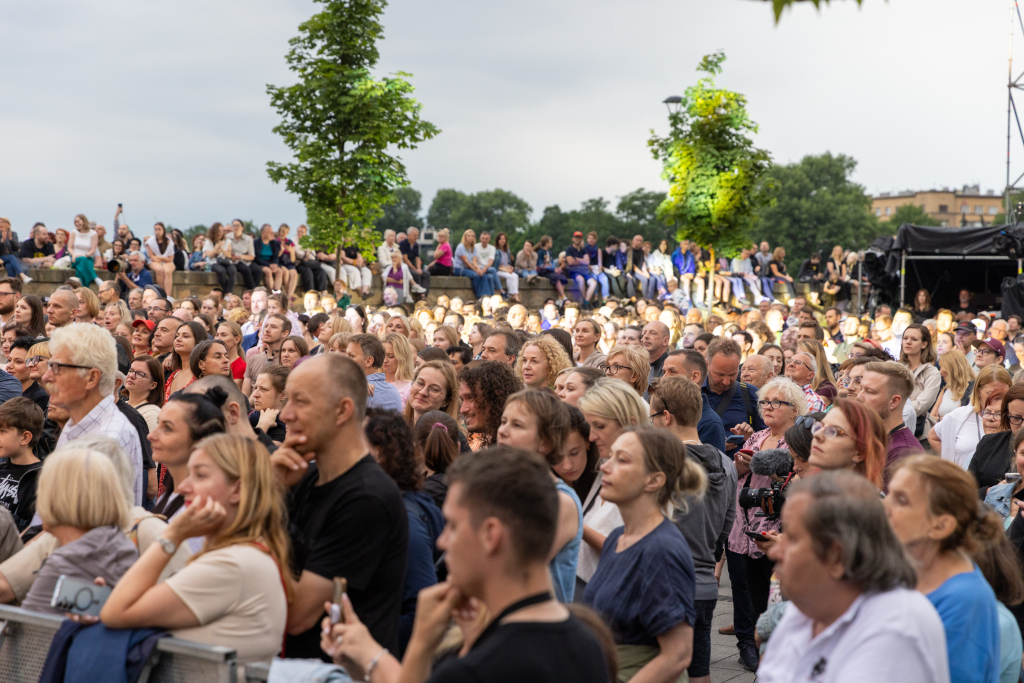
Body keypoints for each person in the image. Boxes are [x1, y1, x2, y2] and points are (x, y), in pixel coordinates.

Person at [322, 445, 612, 683]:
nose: (442, 542)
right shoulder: (588, 643)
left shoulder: (478, 669)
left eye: (452, 526)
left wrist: (419, 645)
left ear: (490, 535)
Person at [101, 434, 290, 665]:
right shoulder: (243, 554)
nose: (184, 487)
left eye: (200, 475)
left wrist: (172, 535)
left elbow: (115, 612)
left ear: (237, 490)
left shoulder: (232, 564)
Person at [270, 354, 408, 659]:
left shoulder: (367, 499)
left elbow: (296, 617)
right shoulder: (305, 477)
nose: (284, 415)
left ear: (342, 410)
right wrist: (271, 490)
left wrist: (264, 502)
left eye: (300, 402)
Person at [758, 471, 949, 683]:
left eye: (792, 539)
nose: (775, 551)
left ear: (837, 557)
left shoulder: (894, 626)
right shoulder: (810, 607)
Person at [584, 427, 706, 681]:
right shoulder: (618, 537)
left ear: (654, 480)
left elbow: (678, 655)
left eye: (623, 460)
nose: (605, 467)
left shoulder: (661, 549)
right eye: (611, 457)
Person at [650, 376, 737, 683]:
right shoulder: (727, 465)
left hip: (663, 582)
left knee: (658, 667)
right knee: (699, 669)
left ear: (666, 416)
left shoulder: (662, 463)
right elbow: (726, 528)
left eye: (652, 417)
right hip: (704, 584)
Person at [885, 456, 1002, 683]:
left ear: (941, 526)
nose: (885, 506)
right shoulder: (904, 569)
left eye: (901, 500)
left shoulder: (965, 600)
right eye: (889, 493)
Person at [729, 375, 807, 671]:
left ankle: (777, 657)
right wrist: (739, 464)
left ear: (794, 408)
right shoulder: (757, 437)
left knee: (777, 597)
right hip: (745, 526)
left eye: (777, 402)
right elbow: (735, 476)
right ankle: (751, 646)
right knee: (748, 590)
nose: (768, 407)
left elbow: (795, 479)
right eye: (764, 402)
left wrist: (771, 471)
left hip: (776, 530)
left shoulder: (798, 440)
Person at [20, 447, 138, 614]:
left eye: (43, 490)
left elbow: (24, 635)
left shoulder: (64, 564)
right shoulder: (120, 545)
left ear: (58, 498)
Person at [496, 390, 581, 603]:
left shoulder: (560, 501)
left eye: (517, 425)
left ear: (545, 442)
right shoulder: (502, 488)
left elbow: (517, 569)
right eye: (503, 421)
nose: (503, 431)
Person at [43, 323, 144, 504]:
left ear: (91, 378)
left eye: (57, 367)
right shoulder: (77, 424)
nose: (46, 377)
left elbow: (87, 526)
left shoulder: (107, 442)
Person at [928, 364, 1012, 469]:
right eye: (989, 393)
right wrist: (952, 464)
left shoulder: (1014, 420)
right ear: (978, 392)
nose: (995, 397)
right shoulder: (958, 416)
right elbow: (933, 436)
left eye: (1002, 394)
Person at [808, 397, 886, 489]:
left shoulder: (868, 502)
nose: (817, 434)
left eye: (834, 432)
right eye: (820, 426)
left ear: (860, 452)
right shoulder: (811, 490)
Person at [971, 385, 1024, 495]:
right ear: (1007, 415)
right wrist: (990, 492)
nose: (1023, 425)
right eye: (1017, 418)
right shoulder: (988, 444)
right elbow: (963, 493)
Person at [0, 398, 44, 529]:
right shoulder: (2, 469)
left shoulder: (40, 477)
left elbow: (30, 526)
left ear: (25, 438)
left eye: (2, 431)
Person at [459, 360, 523, 450]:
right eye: (462, 400)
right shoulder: (491, 447)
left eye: (471, 398)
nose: (462, 410)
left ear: (495, 397)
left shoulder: (516, 450)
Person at [346, 333, 402, 411]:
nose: (345, 359)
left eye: (351, 356)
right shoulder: (393, 390)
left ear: (368, 361)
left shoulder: (356, 390)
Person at [165, 321, 209, 400]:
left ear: (198, 341)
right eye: (177, 336)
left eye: (185, 336)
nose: (178, 339)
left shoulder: (203, 375)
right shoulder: (174, 374)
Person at [123, 356, 164, 434]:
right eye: (131, 370)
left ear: (153, 385)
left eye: (140, 374)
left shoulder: (152, 414)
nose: (131, 375)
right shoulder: (122, 404)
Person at [68, 213, 104, 288]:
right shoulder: (74, 232)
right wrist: (74, 254)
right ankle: (95, 278)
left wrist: (85, 255)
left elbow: (93, 249)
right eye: (75, 222)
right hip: (75, 258)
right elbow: (69, 247)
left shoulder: (93, 234)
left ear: (84, 221)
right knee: (82, 261)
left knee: (81, 269)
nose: (77, 223)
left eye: (78, 221)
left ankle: (81, 287)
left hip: (87, 258)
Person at [145, 222, 176, 294]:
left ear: (163, 230)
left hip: (167, 261)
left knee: (167, 271)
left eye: (159, 229)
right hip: (155, 261)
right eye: (155, 229)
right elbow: (151, 257)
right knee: (159, 269)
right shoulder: (151, 241)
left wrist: (161, 259)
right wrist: (164, 258)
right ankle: (161, 293)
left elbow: (171, 258)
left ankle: (168, 295)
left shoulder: (169, 241)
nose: (157, 231)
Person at [215, 321, 246, 389]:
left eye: (223, 335)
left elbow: (231, 391)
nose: (218, 339)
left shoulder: (241, 366)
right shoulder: (213, 361)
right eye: (217, 335)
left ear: (237, 339)